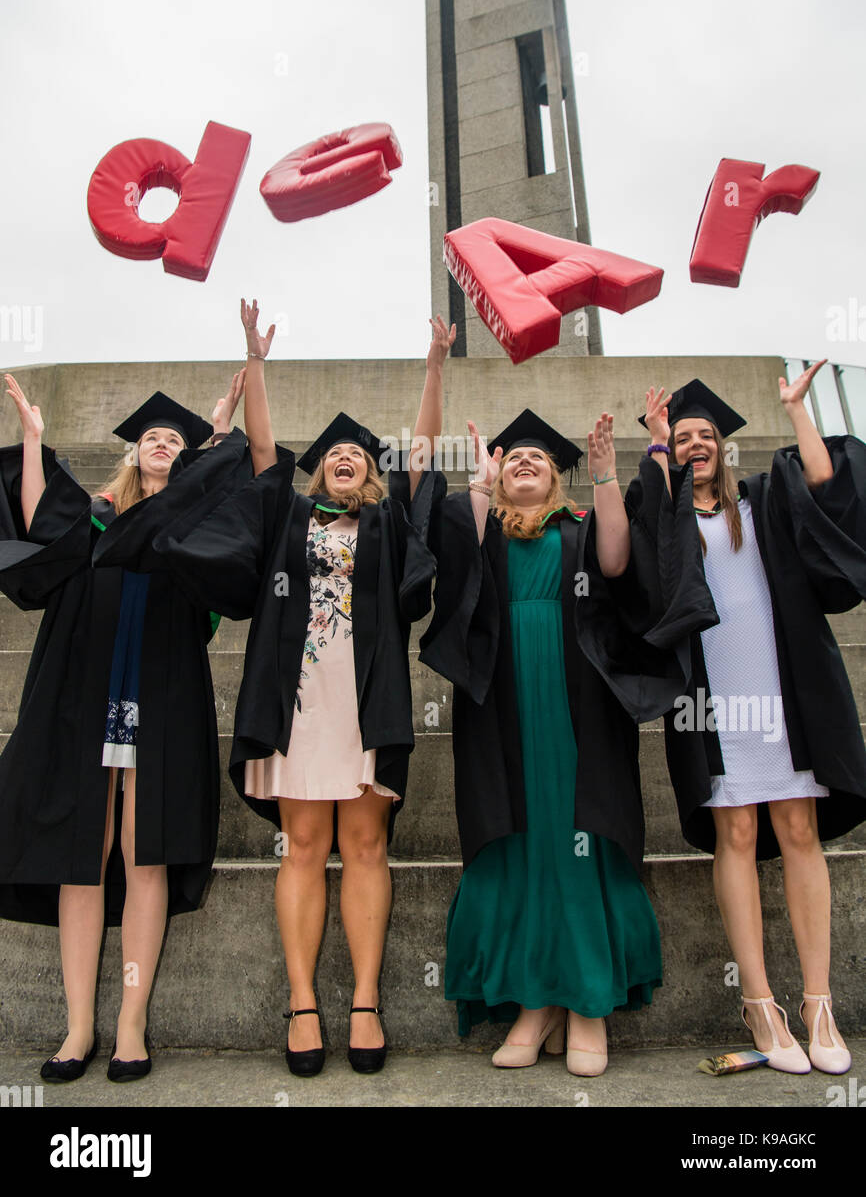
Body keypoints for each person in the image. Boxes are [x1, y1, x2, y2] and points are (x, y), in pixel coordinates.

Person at [94, 301, 447, 1076]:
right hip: (294, 706)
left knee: (364, 846)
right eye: (335, 455)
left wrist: (433, 369)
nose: (346, 458)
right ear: (320, 469)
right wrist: (254, 361)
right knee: (305, 849)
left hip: (365, 705)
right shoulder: (287, 514)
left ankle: (363, 1002)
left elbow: (421, 459)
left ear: (369, 474)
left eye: (359, 455)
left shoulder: (386, 529)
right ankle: (300, 1003)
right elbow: (259, 449)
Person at [418, 397, 700, 1076]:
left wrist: (606, 474)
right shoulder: (482, 526)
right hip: (501, 701)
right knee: (519, 842)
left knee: (580, 842)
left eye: (538, 459)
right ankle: (533, 1000)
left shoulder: (577, 525)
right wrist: (480, 487)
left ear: (557, 479)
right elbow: (452, 563)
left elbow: (614, 563)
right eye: (513, 456)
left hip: (578, 700)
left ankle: (586, 1003)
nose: (524, 462)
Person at [0, 374, 245, 1082]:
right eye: (152, 438)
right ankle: (78, 1027)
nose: (163, 443)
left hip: (160, 693)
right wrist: (35, 441)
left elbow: (233, 521)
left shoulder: (192, 524)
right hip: (86, 693)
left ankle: (131, 1025)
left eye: (175, 439)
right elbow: (37, 547)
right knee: (85, 845)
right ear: (134, 454)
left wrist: (221, 434)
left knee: (146, 849)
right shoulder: (92, 516)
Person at [640, 369, 866, 1074]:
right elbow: (645, 554)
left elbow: (828, 485)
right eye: (684, 437)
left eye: (706, 435)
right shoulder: (669, 516)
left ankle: (818, 1004)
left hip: (782, 692)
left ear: (725, 447)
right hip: (711, 701)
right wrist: (654, 451)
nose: (696, 443)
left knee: (798, 828)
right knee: (735, 830)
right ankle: (760, 1003)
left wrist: (796, 410)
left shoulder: (765, 499)